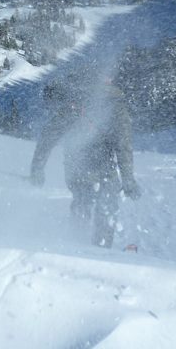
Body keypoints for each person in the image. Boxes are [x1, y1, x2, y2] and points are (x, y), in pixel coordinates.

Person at [30, 75, 141, 248]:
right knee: (107, 207)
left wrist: (37, 168)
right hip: (103, 168)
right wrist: (128, 180)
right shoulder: (117, 107)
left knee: (82, 203)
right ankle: (100, 250)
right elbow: (123, 147)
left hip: (76, 166)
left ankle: (77, 245)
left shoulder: (74, 104)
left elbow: (48, 137)